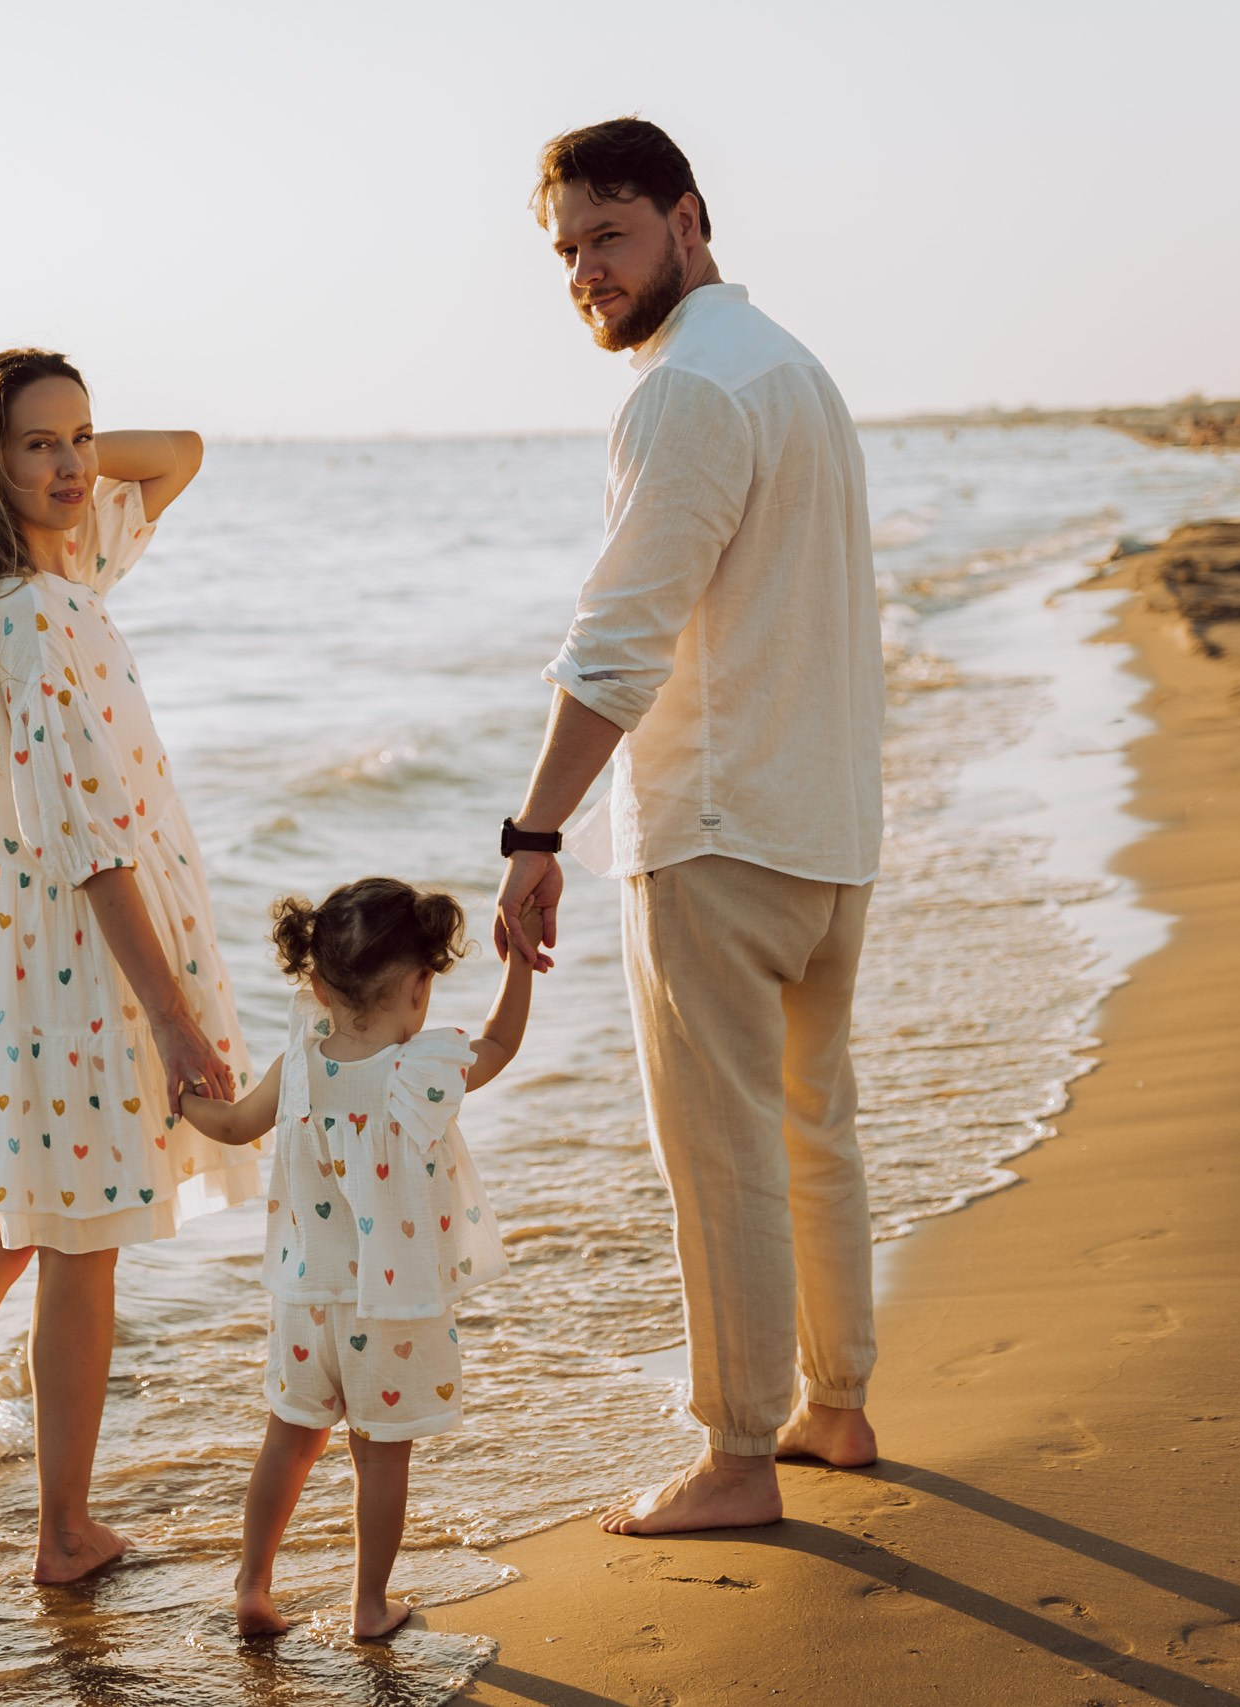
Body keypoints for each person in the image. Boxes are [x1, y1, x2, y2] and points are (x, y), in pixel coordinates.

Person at [491, 118, 887, 1534]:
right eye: (567, 251)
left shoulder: (686, 394)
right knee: (811, 1128)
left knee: (723, 1152)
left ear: (688, 218)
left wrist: (534, 834)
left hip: (723, 829)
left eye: (609, 236)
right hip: (826, 822)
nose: (587, 273)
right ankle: (832, 1400)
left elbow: (617, 644)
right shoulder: (794, 369)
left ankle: (736, 1455)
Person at [0, 348, 262, 1591]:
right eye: (38, 445)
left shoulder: (57, 569)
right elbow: (92, 850)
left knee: (1, 1236)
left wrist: (43, 459)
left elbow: (178, 451)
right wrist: (176, 1021)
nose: (77, 464)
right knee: (76, 1244)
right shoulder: (28, 618)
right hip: (82, 954)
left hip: (39, 952)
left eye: (79, 438)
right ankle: (62, 1532)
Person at [179, 879, 531, 1639]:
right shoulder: (422, 1070)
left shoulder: (301, 1063)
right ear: (417, 985)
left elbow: (236, 1123)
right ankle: (368, 1605)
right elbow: (500, 1043)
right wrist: (522, 966)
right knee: (379, 1459)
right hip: (391, 1304)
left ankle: (252, 1585)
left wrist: (184, 1102)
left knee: (289, 1437)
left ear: (316, 983)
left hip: (305, 1295)